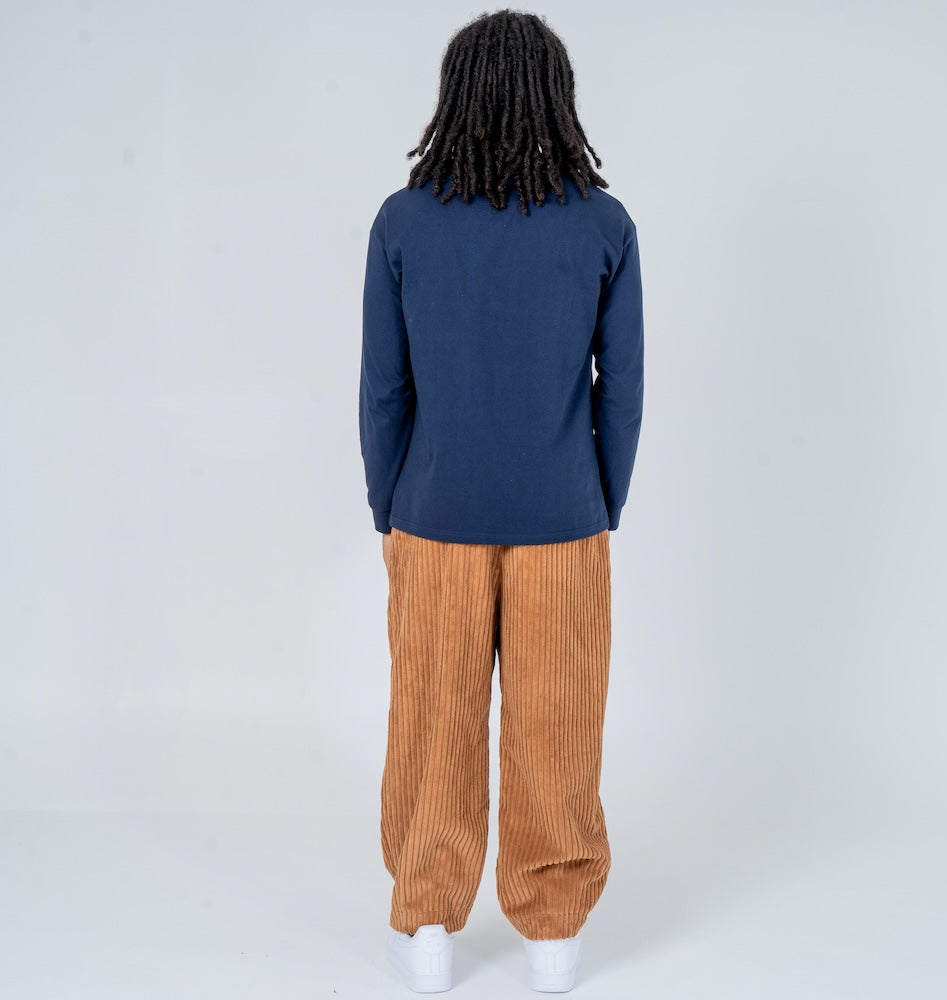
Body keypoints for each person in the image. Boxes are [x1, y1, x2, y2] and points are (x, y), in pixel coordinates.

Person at [359, 8, 643, 993]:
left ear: (456, 97)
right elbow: (622, 387)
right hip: (563, 518)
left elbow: (385, 387)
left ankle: (429, 926)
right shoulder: (602, 224)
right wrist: (599, 500)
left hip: (432, 513)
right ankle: (552, 935)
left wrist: (388, 504)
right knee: (555, 727)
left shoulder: (404, 221)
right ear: (558, 99)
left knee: (430, 723)